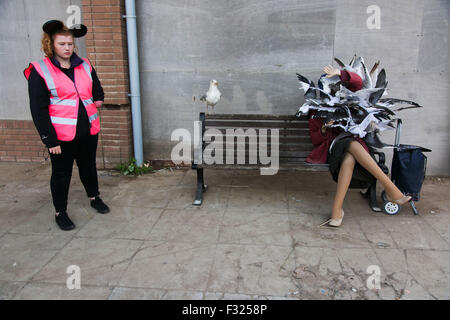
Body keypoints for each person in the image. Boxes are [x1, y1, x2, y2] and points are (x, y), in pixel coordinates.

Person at [24, 20, 110, 231]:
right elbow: (38, 109)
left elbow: (96, 87)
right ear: (51, 44)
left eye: (70, 44)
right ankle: (60, 212)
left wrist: (98, 98)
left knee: (88, 167)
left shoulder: (85, 64)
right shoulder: (40, 70)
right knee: (62, 174)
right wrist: (49, 139)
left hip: (88, 129)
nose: (67, 48)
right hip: (60, 136)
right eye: (62, 44)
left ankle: (94, 197)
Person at [306, 65, 411, 227]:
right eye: (330, 87)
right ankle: (392, 190)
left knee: (350, 155)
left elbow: (358, 83)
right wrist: (325, 128)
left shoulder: (350, 99)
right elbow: (316, 140)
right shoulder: (317, 109)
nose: (334, 89)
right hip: (334, 150)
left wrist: (340, 73)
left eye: (336, 85)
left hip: (356, 149)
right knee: (349, 145)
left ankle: (336, 212)